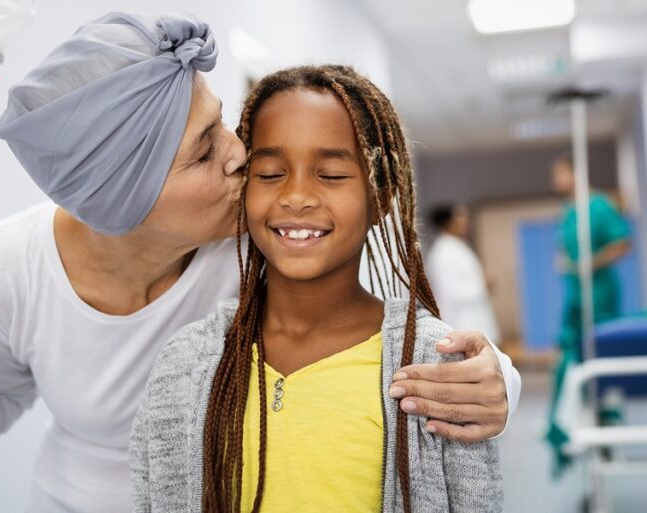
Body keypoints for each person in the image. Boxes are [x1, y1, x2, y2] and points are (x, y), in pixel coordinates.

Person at [0, 13, 517, 513]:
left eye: (220, 122)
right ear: (124, 198)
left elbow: (409, 340)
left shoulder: (273, 241)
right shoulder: (2, 269)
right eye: (203, 153)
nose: (238, 156)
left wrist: (498, 385)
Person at [130, 65, 503, 513]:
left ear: (380, 195)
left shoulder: (430, 367)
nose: (297, 196)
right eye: (269, 174)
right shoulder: (186, 364)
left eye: (330, 175)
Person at [546, 153, 631, 473]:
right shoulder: (568, 212)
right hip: (577, 295)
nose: (555, 181)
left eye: (560, 173)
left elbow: (622, 243)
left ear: (576, 172)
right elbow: (565, 249)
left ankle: (606, 422)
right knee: (570, 356)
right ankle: (572, 424)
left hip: (600, 293)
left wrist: (589, 264)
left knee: (600, 358)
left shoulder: (599, 206)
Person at [426, 204, 501, 344]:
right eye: (459, 217)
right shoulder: (443, 253)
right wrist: (483, 285)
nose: (465, 220)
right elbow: (451, 292)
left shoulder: (456, 247)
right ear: (447, 222)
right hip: (461, 323)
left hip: (474, 320)